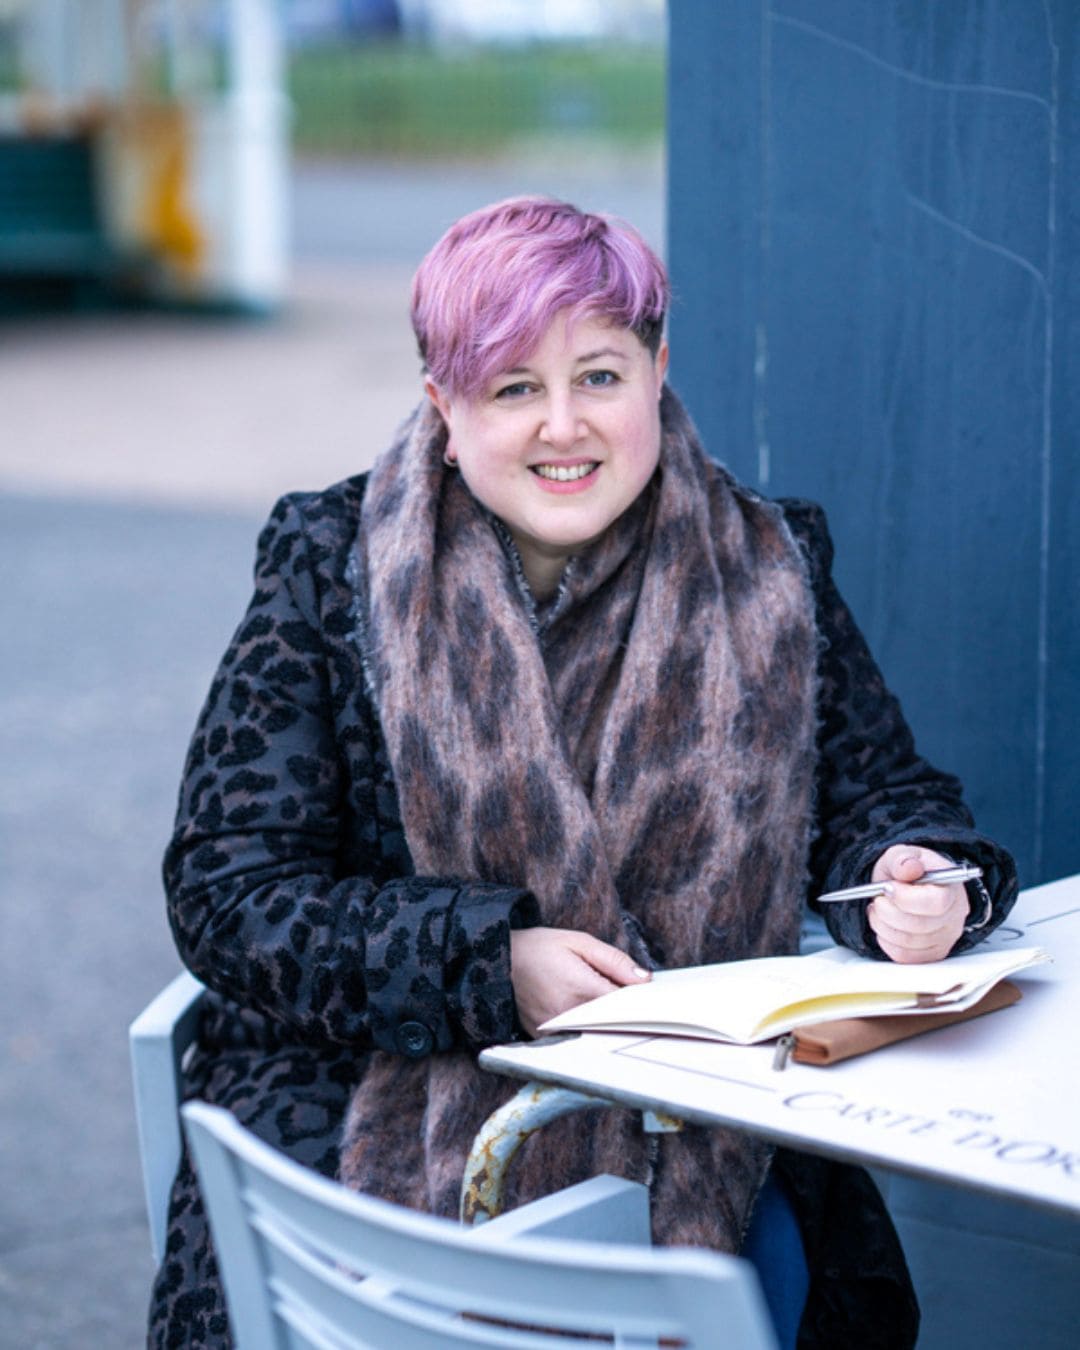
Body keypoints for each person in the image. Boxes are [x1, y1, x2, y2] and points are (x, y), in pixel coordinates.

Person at [148, 196, 1017, 1349]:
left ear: (658, 370)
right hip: (366, 1096)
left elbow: (883, 798)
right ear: (444, 411)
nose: (565, 426)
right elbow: (229, 891)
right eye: (513, 387)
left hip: (705, 1120)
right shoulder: (330, 564)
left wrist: (914, 874)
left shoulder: (774, 567)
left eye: (600, 374)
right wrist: (488, 963)